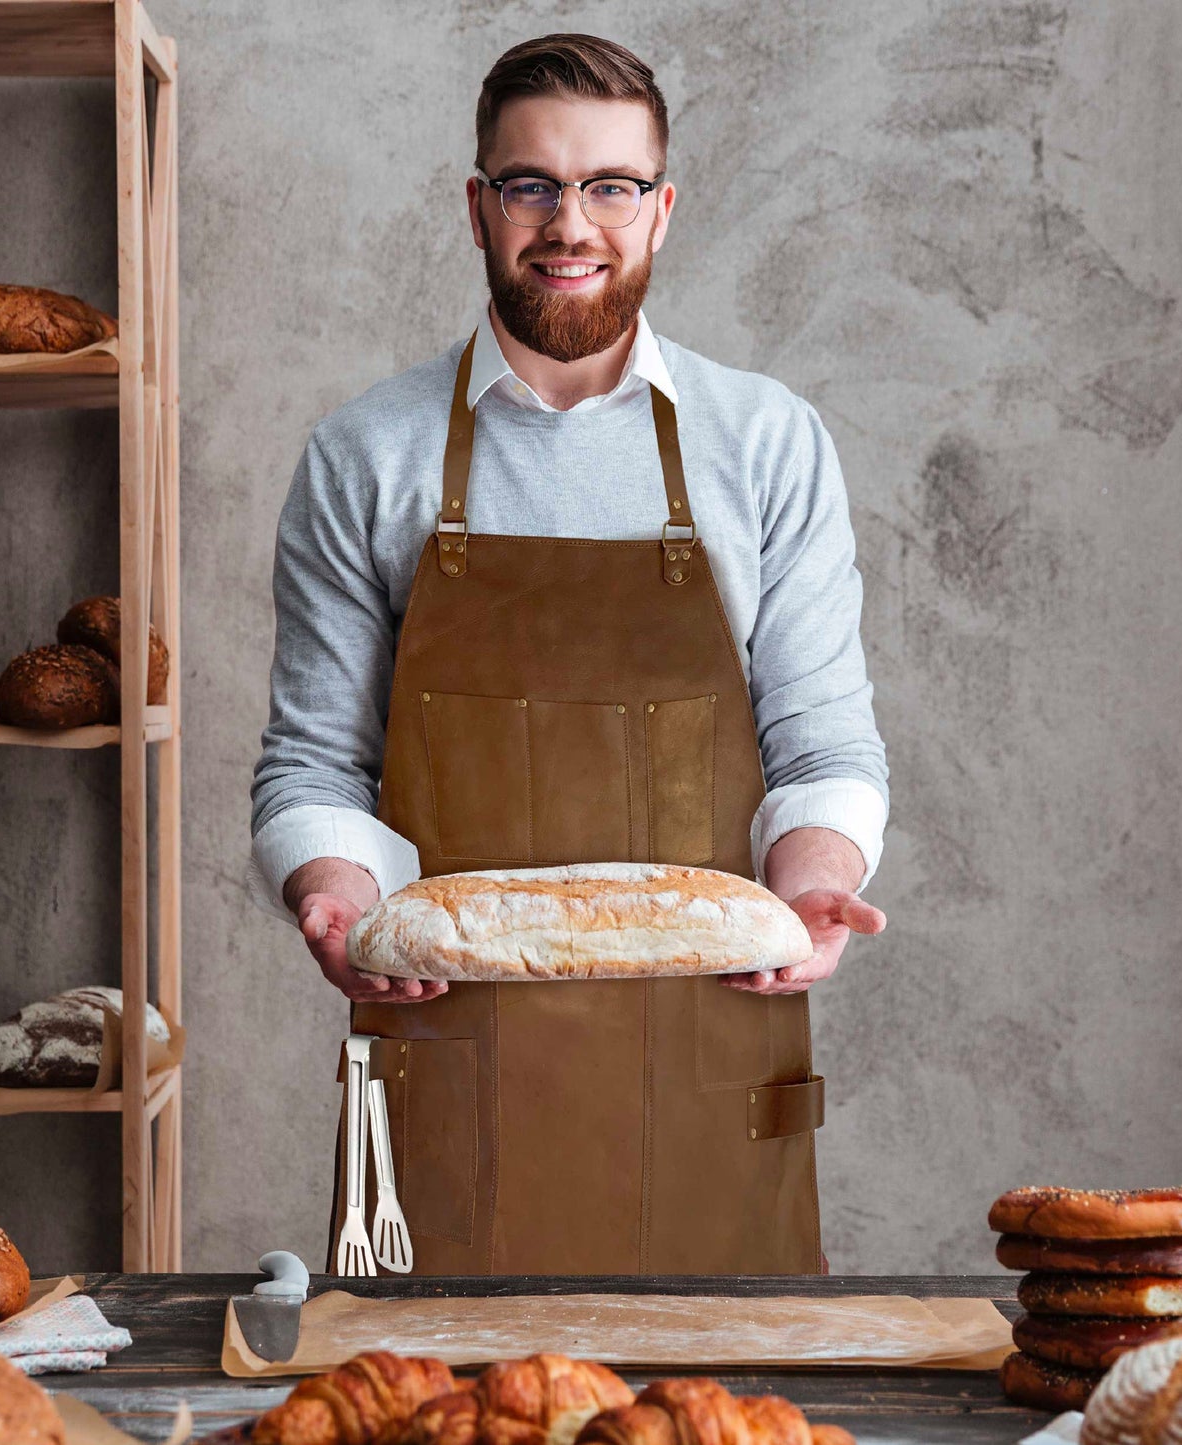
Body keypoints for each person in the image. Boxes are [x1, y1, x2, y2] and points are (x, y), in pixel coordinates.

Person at [248, 33, 888, 1275]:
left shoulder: (765, 441)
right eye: (531, 184)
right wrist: (329, 891)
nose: (568, 222)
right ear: (477, 206)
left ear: (660, 209)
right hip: (445, 1078)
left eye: (608, 185)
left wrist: (812, 882)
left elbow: (820, 740)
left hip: (709, 1071)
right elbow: (315, 764)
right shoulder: (361, 454)